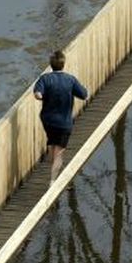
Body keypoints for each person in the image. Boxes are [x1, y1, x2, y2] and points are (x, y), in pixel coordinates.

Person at [34, 50, 88, 184]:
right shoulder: (70, 79)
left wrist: (42, 96)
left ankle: (54, 168)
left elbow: (38, 94)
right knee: (59, 152)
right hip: (64, 122)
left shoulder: (45, 78)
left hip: (48, 120)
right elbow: (83, 94)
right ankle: (53, 181)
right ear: (63, 64)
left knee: (53, 145)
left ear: (51, 64)